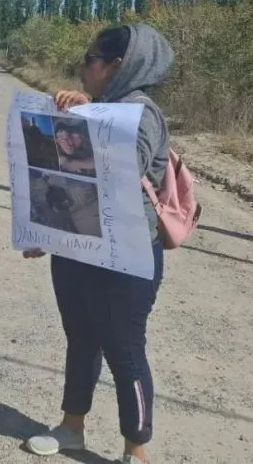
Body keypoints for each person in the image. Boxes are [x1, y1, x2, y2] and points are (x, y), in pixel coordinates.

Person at [21, 23, 172, 464]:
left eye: (90, 60)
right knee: (81, 338)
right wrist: (45, 233)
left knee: (124, 349)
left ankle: (135, 449)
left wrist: (91, 115)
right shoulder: (103, 106)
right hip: (79, 247)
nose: (83, 69)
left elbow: (121, 171)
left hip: (125, 256)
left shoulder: (141, 113)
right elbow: (67, 184)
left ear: (116, 67)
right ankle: (72, 428)